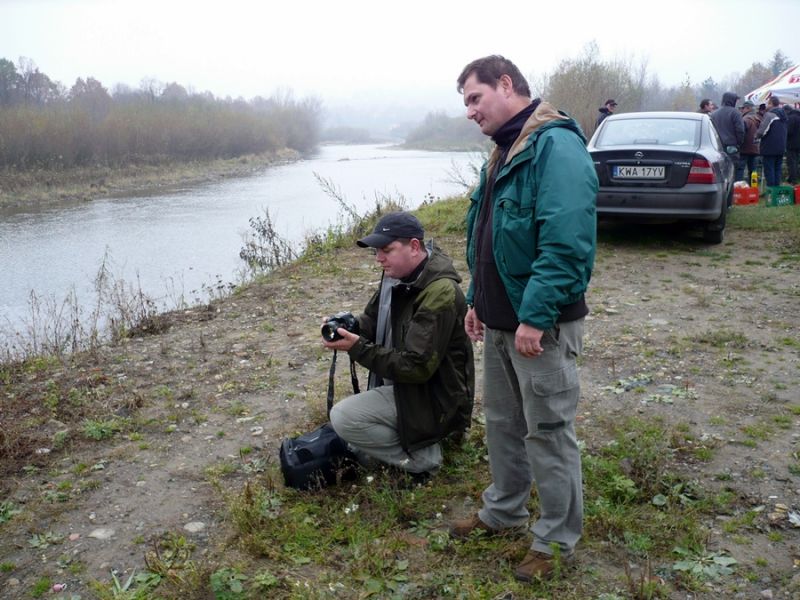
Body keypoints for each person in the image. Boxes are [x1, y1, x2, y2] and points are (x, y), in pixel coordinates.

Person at [449, 55, 597, 582]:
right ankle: (504, 511)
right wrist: (477, 300)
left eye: (475, 98)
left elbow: (566, 242)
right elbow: (488, 237)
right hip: (500, 320)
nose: (470, 111)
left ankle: (556, 540)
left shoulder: (555, 146)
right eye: (465, 102)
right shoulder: (504, 149)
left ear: (506, 84)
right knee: (503, 424)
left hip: (540, 327)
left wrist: (535, 317)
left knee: (549, 432)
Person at [323, 211, 474, 482]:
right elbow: (372, 321)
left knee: (344, 417)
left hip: (435, 398)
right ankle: (408, 440)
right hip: (407, 388)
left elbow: (416, 367)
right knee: (351, 428)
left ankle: (423, 458)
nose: (379, 258)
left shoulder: (440, 292)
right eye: (376, 252)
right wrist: (347, 328)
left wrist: (357, 348)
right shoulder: (397, 276)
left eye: (386, 250)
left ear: (414, 247)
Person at [710, 92, 745, 181]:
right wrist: (739, 143)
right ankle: (734, 188)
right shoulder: (735, 113)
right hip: (731, 148)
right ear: (732, 101)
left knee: (720, 172)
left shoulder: (714, 114)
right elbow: (740, 130)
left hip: (716, 147)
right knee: (734, 172)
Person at [755, 96, 788, 187]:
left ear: (771, 103)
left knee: (769, 170)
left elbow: (762, 131)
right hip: (781, 147)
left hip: (769, 147)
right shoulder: (784, 115)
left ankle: (771, 190)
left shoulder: (769, 115)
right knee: (777, 169)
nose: (766, 105)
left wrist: (755, 137)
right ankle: (777, 190)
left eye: (768, 103)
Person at [739, 100, 762, 182]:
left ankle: (739, 186)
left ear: (748, 108)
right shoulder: (758, 118)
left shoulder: (745, 119)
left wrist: (738, 143)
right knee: (753, 171)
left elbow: (741, 133)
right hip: (755, 148)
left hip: (744, 149)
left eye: (743, 108)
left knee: (740, 169)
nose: (741, 110)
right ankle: (753, 187)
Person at [784, 104, 800, 185]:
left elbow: (789, 131)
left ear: (786, 111)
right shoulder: (798, 117)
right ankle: (792, 178)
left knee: (791, 162)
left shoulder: (791, 118)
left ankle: (793, 180)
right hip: (798, 143)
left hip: (791, 143)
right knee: (796, 161)